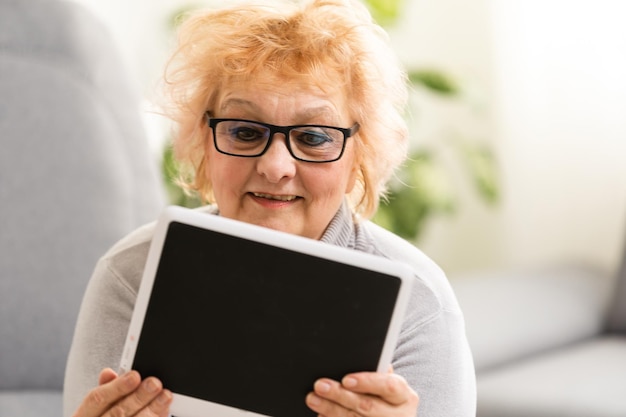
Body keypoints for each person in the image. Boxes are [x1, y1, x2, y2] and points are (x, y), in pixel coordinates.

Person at [63, 0, 476, 416]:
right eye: (244, 131)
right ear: (203, 143)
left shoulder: (420, 304)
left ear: (359, 156)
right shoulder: (130, 275)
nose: (276, 167)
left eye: (313, 137)